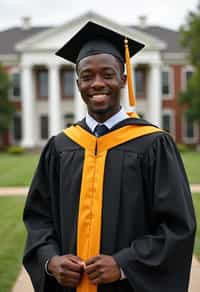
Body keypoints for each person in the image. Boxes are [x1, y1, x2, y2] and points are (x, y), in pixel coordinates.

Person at [23, 21, 196, 292]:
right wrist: (50, 261)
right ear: (78, 83)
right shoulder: (60, 147)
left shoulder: (153, 144)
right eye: (88, 76)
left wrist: (125, 264)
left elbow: (177, 227)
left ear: (124, 79)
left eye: (107, 74)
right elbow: (37, 219)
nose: (97, 83)